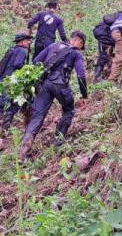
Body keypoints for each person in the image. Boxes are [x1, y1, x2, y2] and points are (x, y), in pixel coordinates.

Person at [19, 31, 89, 159]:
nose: (80, 46)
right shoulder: (76, 53)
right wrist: (84, 95)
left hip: (45, 84)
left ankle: (26, 142)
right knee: (69, 110)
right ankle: (58, 141)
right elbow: (81, 75)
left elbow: (36, 61)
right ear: (79, 42)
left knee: (38, 115)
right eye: (81, 44)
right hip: (61, 85)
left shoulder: (53, 46)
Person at [0, 33, 32, 141]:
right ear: (21, 41)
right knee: (1, 107)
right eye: (27, 40)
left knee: (13, 106)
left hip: (3, 81)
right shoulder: (22, 51)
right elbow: (18, 64)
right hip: (10, 82)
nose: (29, 42)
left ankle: (5, 131)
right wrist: (28, 69)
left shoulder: (12, 49)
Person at [92, 11, 122, 81]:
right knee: (103, 56)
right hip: (105, 37)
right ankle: (97, 77)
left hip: (106, 36)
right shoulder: (121, 18)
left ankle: (108, 73)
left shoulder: (115, 17)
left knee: (107, 55)